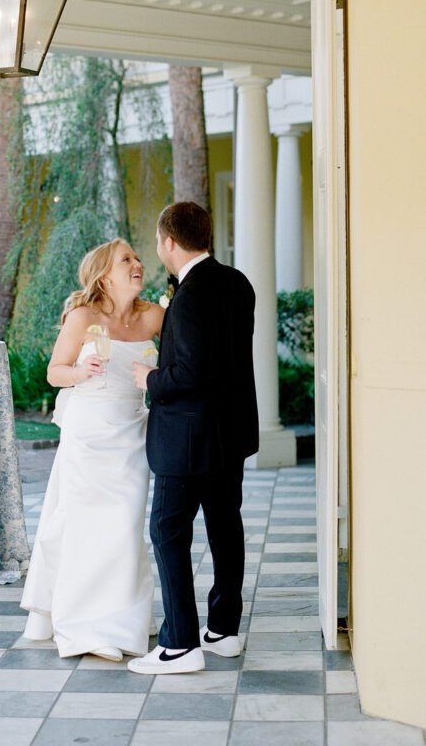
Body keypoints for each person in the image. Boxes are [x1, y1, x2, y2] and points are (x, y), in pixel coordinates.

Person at [128, 201, 259, 675]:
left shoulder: (191, 295)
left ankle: (180, 643)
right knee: (226, 527)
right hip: (231, 433)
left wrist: (150, 378)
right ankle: (223, 631)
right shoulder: (236, 282)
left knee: (167, 531)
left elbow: (190, 372)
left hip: (187, 439)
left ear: (169, 242)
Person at [20, 238, 164, 661]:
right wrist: (81, 371)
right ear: (105, 275)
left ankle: (122, 621)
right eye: (127, 260)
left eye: (138, 257)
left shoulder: (156, 317)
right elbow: (54, 373)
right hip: (88, 432)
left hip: (131, 433)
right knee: (87, 527)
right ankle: (85, 628)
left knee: (123, 527)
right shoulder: (83, 317)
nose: (138, 264)